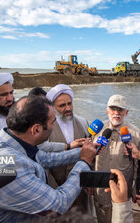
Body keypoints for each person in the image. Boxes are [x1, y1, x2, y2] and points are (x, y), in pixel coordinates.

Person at [0, 96, 97, 222]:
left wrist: (82, 152)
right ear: (36, 129)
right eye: (53, 122)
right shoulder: (9, 165)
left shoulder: (8, 139)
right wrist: (84, 162)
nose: (55, 125)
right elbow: (58, 205)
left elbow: (45, 158)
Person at [93, 94, 140, 223]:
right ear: (107, 111)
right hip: (100, 191)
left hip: (123, 191)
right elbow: (90, 159)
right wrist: (90, 183)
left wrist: (135, 189)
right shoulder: (97, 132)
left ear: (126, 112)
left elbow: (139, 165)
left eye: (120, 109)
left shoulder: (136, 134)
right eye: (113, 109)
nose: (116, 113)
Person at [45, 84, 91, 213]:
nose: (68, 108)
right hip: (55, 188)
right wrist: (52, 189)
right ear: (52, 107)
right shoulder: (46, 128)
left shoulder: (82, 122)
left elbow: (90, 152)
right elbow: (43, 158)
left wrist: (90, 178)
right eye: (62, 105)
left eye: (69, 103)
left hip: (81, 185)